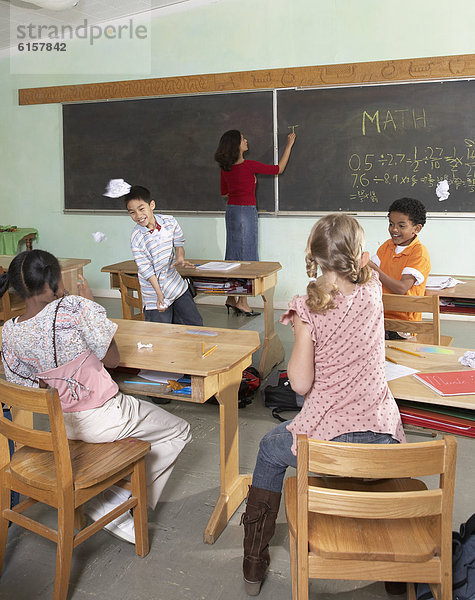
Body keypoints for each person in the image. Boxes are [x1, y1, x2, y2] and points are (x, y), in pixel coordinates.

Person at [240, 214, 405, 596]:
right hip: (383, 441)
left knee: (269, 448)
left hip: (330, 445)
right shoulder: (373, 290)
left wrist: (301, 328)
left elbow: (299, 383)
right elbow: (360, 279)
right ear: (361, 257)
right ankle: (397, 576)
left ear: (313, 257)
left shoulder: (306, 308)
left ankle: (253, 560)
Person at [0, 250, 191, 544]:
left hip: (61, 426)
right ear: (54, 284)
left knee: (135, 426)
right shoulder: (75, 308)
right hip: (105, 417)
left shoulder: (9, 333)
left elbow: (29, 387)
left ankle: (111, 495)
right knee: (180, 430)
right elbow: (113, 360)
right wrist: (90, 304)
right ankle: (113, 502)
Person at [214, 130, 295, 316]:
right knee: (247, 257)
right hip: (246, 211)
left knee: (233, 255)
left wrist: (246, 184)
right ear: (236, 145)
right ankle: (242, 301)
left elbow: (224, 194)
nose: (246, 140)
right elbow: (278, 169)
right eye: (243, 139)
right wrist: (289, 145)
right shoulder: (249, 166)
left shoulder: (225, 169)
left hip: (232, 211)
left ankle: (230, 297)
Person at [104, 179, 203, 326]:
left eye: (141, 209)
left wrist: (180, 257)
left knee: (195, 325)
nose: (138, 215)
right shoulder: (137, 237)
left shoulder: (169, 222)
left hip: (175, 286)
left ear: (152, 205)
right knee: (160, 335)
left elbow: (179, 243)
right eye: (132, 212)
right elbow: (146, 270)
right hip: (153, 292)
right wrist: (159, 294)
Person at [369, 197, 431, 339]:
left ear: (417, 228)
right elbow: (370, 274)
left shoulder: (419, 252)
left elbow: (402, 288)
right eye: (391, 224)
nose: (394, 230)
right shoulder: (387, 246)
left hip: (404, 325)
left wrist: (374, 269)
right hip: (380, 316)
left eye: (401, 226)